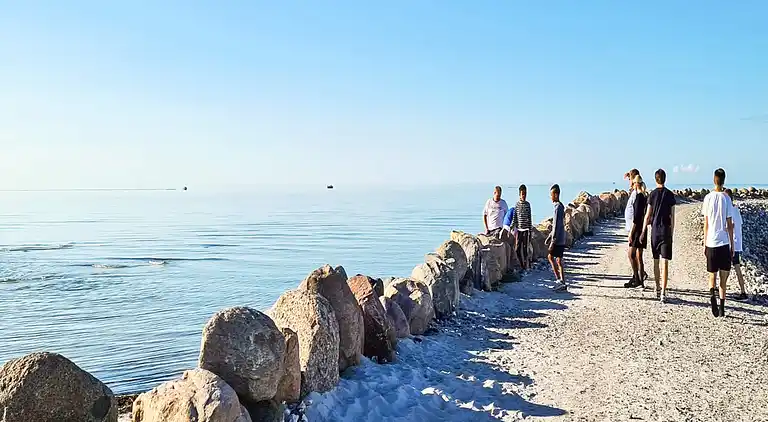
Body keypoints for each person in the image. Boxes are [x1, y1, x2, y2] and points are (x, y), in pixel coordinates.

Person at [702, 169, 735, 317]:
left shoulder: (708, 198)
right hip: (723, 242)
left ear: (714, 179)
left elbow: (706, 223)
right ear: (724, 180)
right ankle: (722, 308)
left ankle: (712, 299)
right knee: (723, 278)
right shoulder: (727, 198)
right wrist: (732, 245)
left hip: (711, 242)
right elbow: (729, 224)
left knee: (712, 276)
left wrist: (704, 242)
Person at [641, 169, 676, 303]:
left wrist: (644, 231)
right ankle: (663, 292)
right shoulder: (670, 195)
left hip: (655, 231)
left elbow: (647, 215)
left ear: (656, 179)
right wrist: (672, 233)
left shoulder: (652, 195)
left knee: (656, 261)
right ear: (665, 179)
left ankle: (657, 288)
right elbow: (673, 217)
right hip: (666, 231)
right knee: (665, 262)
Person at [624, 169, 648, 284]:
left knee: (632, 254)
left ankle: (637, 278)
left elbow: (637, 217)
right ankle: (640, 276)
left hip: (636, 229)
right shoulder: (640, 195)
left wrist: (631, 233)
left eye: (630, 180)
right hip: (637, 229)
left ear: (634, 183)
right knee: (638, 255)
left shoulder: (639, 197)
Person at [725, 188, 748, 301]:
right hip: (737, 243)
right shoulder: (736, 210)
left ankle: (742, 292)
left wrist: (722, 229)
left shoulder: (731, 211)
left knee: (730, 267)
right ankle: (742, 291)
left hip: (732, 244)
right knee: (733, 266)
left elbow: (731, 226)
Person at [546, 184, 567, 291]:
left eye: (551, 195)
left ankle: (560, 280)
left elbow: (557, 226)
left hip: (558, 239)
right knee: (558, 259)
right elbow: (556, 225)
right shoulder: (560, 206)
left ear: (556, 194)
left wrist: (552, 241)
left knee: (552, 257)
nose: (551, 197)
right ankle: (561, 281)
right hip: (560, 237)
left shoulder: (558, 207)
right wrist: (549, 236)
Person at [512, 184, 533, 270]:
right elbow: (515, 217)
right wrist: (513, 227)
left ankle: (526, 265)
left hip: (526, 230)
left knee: (525, 249)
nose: (524, 195)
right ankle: (522, 264)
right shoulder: (517, 205)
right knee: (517, 249)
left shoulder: (528, 205)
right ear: (519, 194)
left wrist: (530, 230)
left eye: (525, 194)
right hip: (519, 230)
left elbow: (529, 217)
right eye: (522, 194)